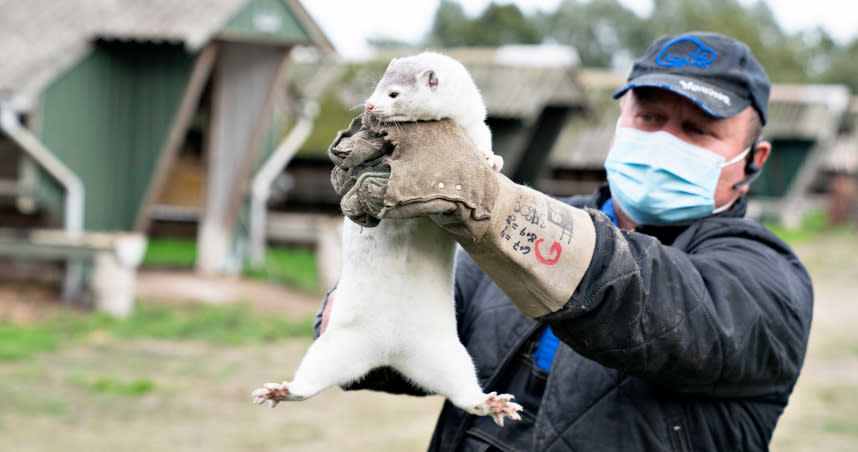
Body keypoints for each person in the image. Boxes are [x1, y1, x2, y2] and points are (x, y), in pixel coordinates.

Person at [318, 31, 813, 451]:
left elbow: (654, 298)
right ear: (620, 122)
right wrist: (358, 316)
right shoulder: (537, 218)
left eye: (697, 129)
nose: (665, 140)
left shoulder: (767, 279)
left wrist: (493, 206)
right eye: (649, 117)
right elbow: (412, 347)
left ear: (754, 160)